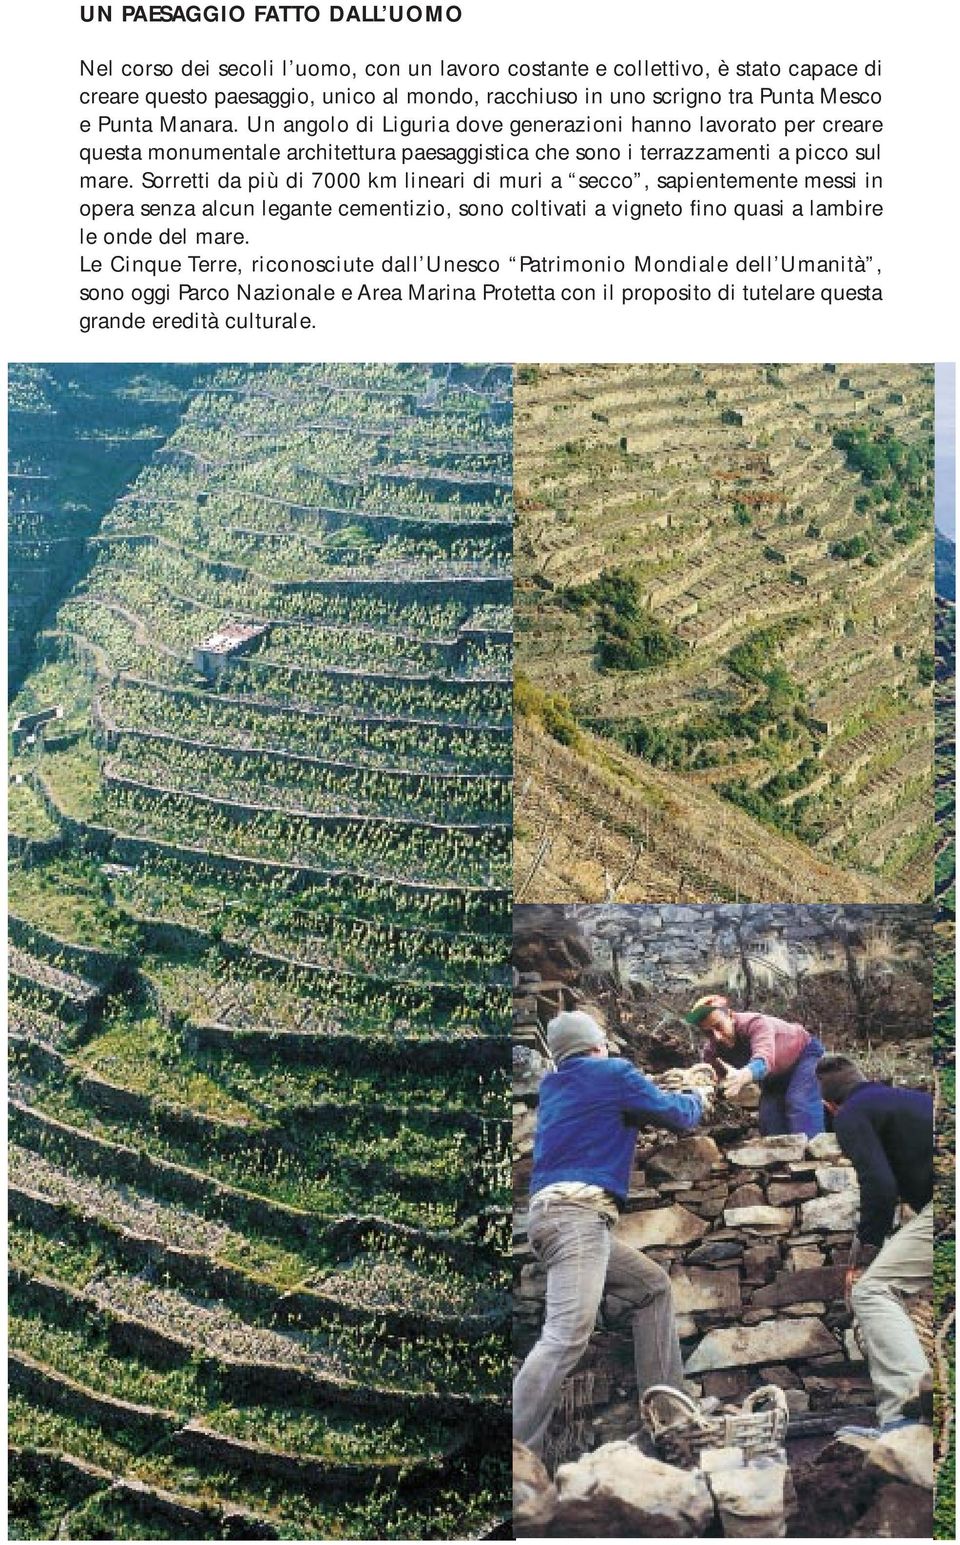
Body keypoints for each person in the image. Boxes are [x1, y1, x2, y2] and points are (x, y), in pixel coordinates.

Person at [513, 1008, 712, 1457]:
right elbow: (678, 1116)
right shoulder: (611, 1074)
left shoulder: (555, 1086)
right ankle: (515, 1453)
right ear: (598, 1045)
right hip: (577, 1219)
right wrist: (699, 1093)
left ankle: (671, 1421)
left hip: (555, 1220)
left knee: (651, 1289)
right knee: (565, 1336)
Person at [815, 1053, 934, 1436]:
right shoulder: (916, 1100)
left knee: (872, 1291)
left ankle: (906, 1417)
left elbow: (879, 1187)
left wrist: (864, 1255)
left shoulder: (850, 1114)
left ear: (828, 1106)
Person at [685, 993, 825, 1138]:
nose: (716, 1037)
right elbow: (711, 1080)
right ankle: (782, 1157)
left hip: (804, 1055)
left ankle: (814, 1153)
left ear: (731, 1017)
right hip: (774, 1076)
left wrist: (742, 1076)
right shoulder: (713, 1050)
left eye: (718, 1026)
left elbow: (764, 1059)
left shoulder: (756, 1023)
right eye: (708, 1032)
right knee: (769, 1119)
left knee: (799, 1101)